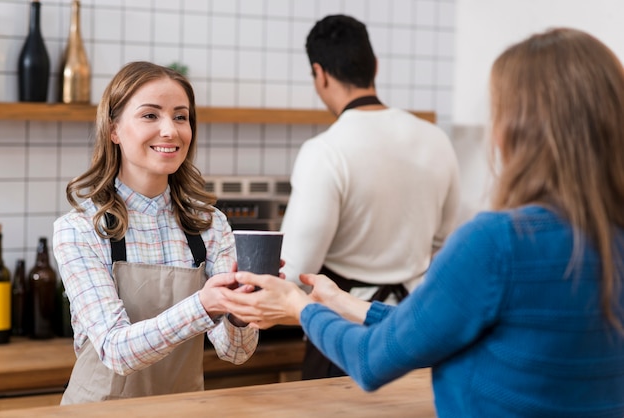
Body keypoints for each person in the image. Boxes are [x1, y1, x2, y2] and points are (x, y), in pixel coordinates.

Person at [221, 28, 624, 417]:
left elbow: (371, 357)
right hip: (403, 313)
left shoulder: (496, 243)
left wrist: (300, 306)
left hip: (354, 349)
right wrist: (344, 303)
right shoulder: (436, 141)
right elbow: (439, 309)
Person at [53, 61, 258, 405]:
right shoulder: (79, 230)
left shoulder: (210, 224)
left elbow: (234, 352)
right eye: (150, 115)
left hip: (183, 410)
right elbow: (116, 351)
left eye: (181, 116)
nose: (170, 131)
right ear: (113, 129)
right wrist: (205, 305)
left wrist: (240, 310)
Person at [280, 14, 461, 380]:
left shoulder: (325, 151)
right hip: (415, 328)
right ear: (375, 66)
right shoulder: (435, 139)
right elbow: (444, 242)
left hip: (344, 335)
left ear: (320, 74)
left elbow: (295, 267)